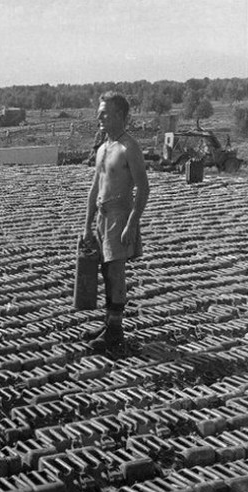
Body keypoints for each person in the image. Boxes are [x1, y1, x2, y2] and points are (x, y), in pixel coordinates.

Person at [82, 91, 150, 350]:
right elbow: (94, 188)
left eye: (105, 112)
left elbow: (143, 188)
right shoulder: (103, 148)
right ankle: (108, 323)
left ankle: (115, 330)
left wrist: (132, 223)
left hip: (120, 217)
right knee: (105, 271)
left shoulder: (129, 147)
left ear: (120, 115)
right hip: (102, 217)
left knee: (116, 273)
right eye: (99, 112)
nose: (99, 116)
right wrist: (87, 224)